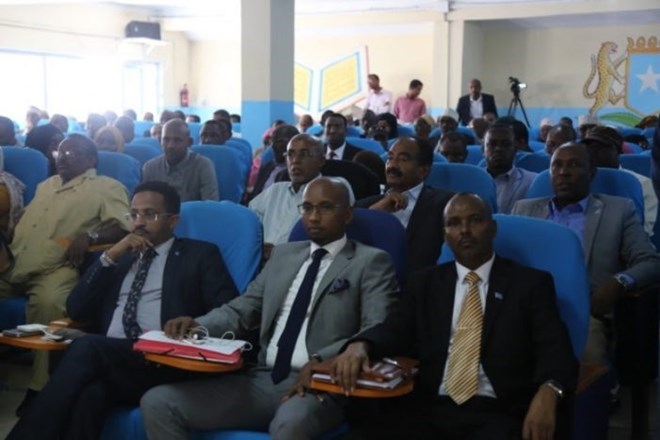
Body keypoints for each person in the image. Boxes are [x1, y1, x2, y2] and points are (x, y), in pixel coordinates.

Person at [140, 177, 400, 439]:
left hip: (323, 382)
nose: (313, 217)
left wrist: (322, 360)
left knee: (290, 426)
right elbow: (242, 308)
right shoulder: (283, 255)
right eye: (307, 208)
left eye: (325, 207)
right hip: (263, 379)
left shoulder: (370, 261)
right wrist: (198, 325)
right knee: (158, 402)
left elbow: (377, 326)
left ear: (347, 215)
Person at [6, 181, 239, 440]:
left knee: (86, 347)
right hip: (114, 359)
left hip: (163, 359)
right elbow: (76, 309)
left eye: (150, 214)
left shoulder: (199, 254)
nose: (139, 222)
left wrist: (193, 323)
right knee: (91, 395)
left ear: (173, 221)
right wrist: (110, 255)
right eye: (134, 214)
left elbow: (228, 309)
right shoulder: (120, 257)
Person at [334, 193, 578, 440]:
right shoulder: (424, 283)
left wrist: (550, 390)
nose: (464, 231)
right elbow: (395, 329)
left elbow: (555, 349)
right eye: (454, 223)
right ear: (445, 235)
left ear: (492, 228)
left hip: (500, 412)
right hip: (429, 409)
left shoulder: (529, 284)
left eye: (475, 220)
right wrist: (361, 344)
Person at [0, 133, 131, 415]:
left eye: (72, 153)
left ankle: (41, 387)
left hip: (57, 267)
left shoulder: (106, 186)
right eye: (60, 153)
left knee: (49, 304)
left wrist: (91, 236)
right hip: (14, 263)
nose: (62, 158)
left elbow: (124, 227)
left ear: (91, 159)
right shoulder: (46, 185)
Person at [512, 143, 660, 364]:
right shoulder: (523, 210)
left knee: (585, 358)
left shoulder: (618, 211)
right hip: (528, 308)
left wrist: (619, 282)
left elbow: (650, 262)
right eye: (557, 165)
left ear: (592, 173)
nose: (563, 172)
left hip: (584, 311)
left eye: (574, 165)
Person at [356, 137, 453, 274]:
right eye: (390, 158)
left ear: (423, 170)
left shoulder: (446, 204)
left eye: (403, 159)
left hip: (419, 282)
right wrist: (374, 214)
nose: (392, 165)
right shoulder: (364, 206)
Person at [249, 134, 325, 255]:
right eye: (290, 154)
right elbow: (248, 222)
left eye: (304, 154)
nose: (295, 160)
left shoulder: (330, 194)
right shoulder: (275, 190)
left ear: (321, 160)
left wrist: (280, 253)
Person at [582, 125, 657, 236]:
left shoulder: (642, 184)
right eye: (588, 147)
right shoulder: (577, 182)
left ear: (617, 150)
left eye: (599, 147)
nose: (592, 152)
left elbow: (644, 231)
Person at [142, 119, 218, 202]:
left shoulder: (203, 166)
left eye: (177, 140)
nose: (170, 146)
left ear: (189, 142)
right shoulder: (150, 168)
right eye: (166, 139)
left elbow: (210, 205)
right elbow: (144, 203)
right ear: (160, 141)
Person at [483, 124, 537, 214]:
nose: (498, 149)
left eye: (505, 144)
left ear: (515, 149)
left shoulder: (532, 181)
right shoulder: (472, 181)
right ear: (483, 150)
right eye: (492, 144)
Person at [250, 124, 300, 200]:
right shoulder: (268, 166)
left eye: (279, 142)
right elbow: (255, 195)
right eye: (273, 141)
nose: (273, 146)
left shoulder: (297, 172)